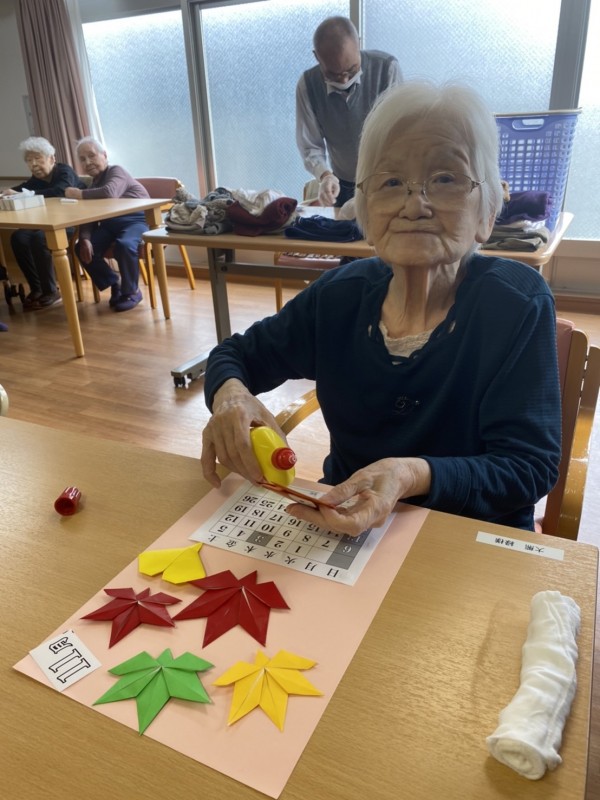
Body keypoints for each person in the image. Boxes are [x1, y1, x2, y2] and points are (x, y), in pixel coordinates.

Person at [200, 80, 561, 536]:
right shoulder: (339, 295)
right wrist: (232, 397)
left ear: (487, 213)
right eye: (391, 182)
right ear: (367, 212)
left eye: (445, 179)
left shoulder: (516, 303)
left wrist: (412, 475)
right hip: (348, 528)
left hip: (467, 537)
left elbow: (528, 466)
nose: (415, 205)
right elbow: (234, 356)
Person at [296, 16, 401, 208]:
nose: (344, 80)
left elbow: (400, 135)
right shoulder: (308, 85)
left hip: (386, 180)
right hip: (341, 184)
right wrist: (325, 176)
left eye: (351, 70)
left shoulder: (386, 69)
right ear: (317, 57)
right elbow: (310, 145)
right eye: (333, 74)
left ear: (358, 44)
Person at [65, 137, 149, 312]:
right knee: (82, 248)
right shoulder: (93, 184)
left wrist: (79, 194)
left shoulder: (117, 171)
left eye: (92, 156)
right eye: (82, 159)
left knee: (124, 245)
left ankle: (132, 291)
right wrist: (85, 238)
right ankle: (115, 282)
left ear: (104, 155)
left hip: (136, 220)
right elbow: (89, 214)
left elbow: (110, 192)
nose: (88, 162)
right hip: (110, 224)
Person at [0, 137, 84, 309]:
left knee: (40, 238)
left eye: (38, 159)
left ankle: (51, 290)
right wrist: (8, 192)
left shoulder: (64, 171)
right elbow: (23, 187)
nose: (34, 164)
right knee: (18, 237)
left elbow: (60, 191)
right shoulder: (37, 179)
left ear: (51, 158)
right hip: (47, 222)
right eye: (29, 160)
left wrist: (23, 193)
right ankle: (37, 288)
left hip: (71, 222)